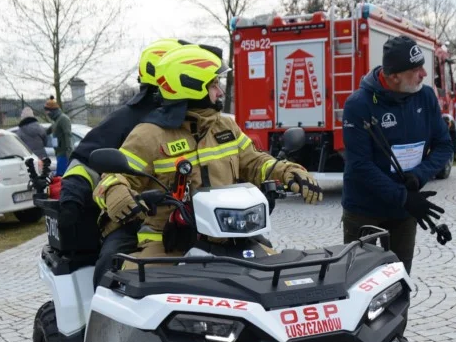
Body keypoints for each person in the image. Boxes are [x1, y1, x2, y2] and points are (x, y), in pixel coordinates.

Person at [92, 44, 322, 266]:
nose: (220, 91)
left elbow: (254, 161)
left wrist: (287, 171)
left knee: (275, 276)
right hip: (169, 243)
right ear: (192, 86)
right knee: (140, 290)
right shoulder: (149, 135)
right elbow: (111, 178)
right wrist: (116, 192)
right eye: (213, 84)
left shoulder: (225, 127)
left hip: (232, 237)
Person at [58, 38, 188, 285]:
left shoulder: (192, 120)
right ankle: (103, 321)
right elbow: (85, 160)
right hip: (131, 218)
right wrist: (72, 199)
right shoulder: (125, 120)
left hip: (188, 219)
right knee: (111, 269)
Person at [341, 36, 450, 273]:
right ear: (394, 76)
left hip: (404, 211)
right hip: (364, 209)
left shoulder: (426, 97)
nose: (424, 73)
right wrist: (403, 196)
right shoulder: (358, 105)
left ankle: (400, 313)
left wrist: (418, 176)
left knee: (400, 282)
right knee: (358, 283)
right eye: (416, 69)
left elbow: (444, 146)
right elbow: (360, 166)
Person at [44, 97, 73, 176]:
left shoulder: (63, 119)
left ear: (53, 111)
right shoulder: (56, 121)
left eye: (48, 111)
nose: (47, 114)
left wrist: (69, 153)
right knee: (59, 175)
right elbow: (47, 131)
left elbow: (68, 135)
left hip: (64, 154)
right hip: (58, 152)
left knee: (61, 175)